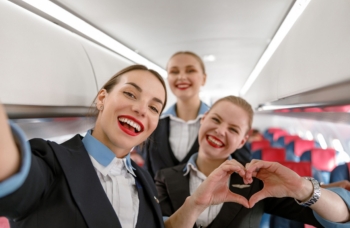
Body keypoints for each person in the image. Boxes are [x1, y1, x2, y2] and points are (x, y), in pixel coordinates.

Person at [0, 65, 249, 228]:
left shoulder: (144, 181)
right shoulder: (51, 161)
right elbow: (10, 169)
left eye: (154, 107)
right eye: (130, 94)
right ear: (102, 98)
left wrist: (196, 203)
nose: (141, 109)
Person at [155, 96, 350, 228]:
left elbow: (340, 220)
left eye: (233, 129)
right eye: (215, 120)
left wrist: (301, 187)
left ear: (242, 141)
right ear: (203, 120)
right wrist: (195, 204)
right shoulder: (165, 176)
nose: (221, 131)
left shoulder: (255, 182)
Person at [141, 51, 251, 179]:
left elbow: (243, 172)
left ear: (204, 78)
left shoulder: (225, 127)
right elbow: (148, 174)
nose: (181, 77)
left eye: (190, 70)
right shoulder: (153, 124)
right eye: (174, 72)